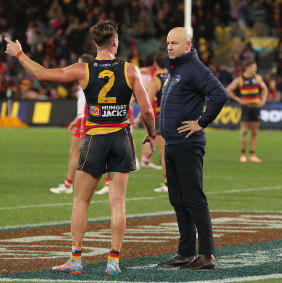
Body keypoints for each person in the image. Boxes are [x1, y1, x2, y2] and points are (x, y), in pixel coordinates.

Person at [5, 20, 156, 275]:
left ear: (94, 43)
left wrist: (19, 53)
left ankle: (75, 259)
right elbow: (148, 110)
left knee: (81, 201)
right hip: (121, 137)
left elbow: (42, 74)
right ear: (115, 42)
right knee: (117, 202)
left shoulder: (83, 69)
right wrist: (152, 135)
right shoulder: (130, 70)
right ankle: (113, 260)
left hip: (95, 137)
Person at [157, 27, 228, 270]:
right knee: (178, 199)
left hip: (188, 144)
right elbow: (171, 105)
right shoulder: (175, 68)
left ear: (187, 45)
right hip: (173, 143)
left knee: (194, 199)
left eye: (174, 43)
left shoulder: (195, 68)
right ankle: (186, 252)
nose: (169, 47)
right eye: (168, 42)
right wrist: (158, 131)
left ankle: (207, 255)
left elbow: (220, 94)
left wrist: (201, 123)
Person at [50, 53, 94, 194]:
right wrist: (77, 118)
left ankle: (68, 185)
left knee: (75, 152)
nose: (76, 66)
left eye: (79, 63)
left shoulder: (85, 78)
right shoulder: (89, 79)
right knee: (91, 151)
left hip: (86, 119)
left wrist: (81, 118)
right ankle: (107, 183)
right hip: (84, 118)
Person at [226, 61, 268, 163]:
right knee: (244, 131)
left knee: (254, 132)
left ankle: (252, 154)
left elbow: (265, 89)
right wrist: (238, 99)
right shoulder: (240, 79)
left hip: (256, 108)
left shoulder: (257, 78)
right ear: (248, 68)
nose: (255, 69)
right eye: (254, 67)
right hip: (246, 108)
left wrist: (263, 100)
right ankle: (243, 154)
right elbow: (228, 89)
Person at [145, 54, 168, 192]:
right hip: (176, 117)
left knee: (164, 153)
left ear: (155, 63)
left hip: (161, 117)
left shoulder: (156, 80)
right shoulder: (174, 76)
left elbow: (148, 101)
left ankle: (167, 184)